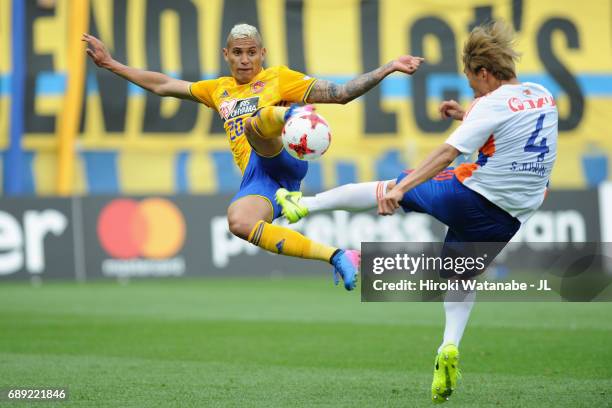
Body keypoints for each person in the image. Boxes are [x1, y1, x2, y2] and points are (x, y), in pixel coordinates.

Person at [276, 20, 558, 402]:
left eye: (472, 81)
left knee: (390, 185)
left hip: (471, 195)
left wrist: (403, 190)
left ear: (484, 72)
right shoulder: (542, 95)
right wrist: (466, 115)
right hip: (512, 215)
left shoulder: (489, 104)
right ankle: (449, 347)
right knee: (457, 276)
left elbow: (447, 153)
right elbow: (510, 124)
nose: (471, 88)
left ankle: (301, 205)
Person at [82, 24, 423, 291]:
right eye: (237, 53)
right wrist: (110, 64)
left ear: (263, 53)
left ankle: (293, 120)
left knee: (254, 125)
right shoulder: (218, 90)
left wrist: (388, 68)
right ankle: (337, 256)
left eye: (251, 53)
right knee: (239, 221)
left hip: (284, 157)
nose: (245, 60)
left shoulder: (278, 78)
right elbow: (162, 84)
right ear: (226, 54)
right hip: (258, 179)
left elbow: (342, 93)